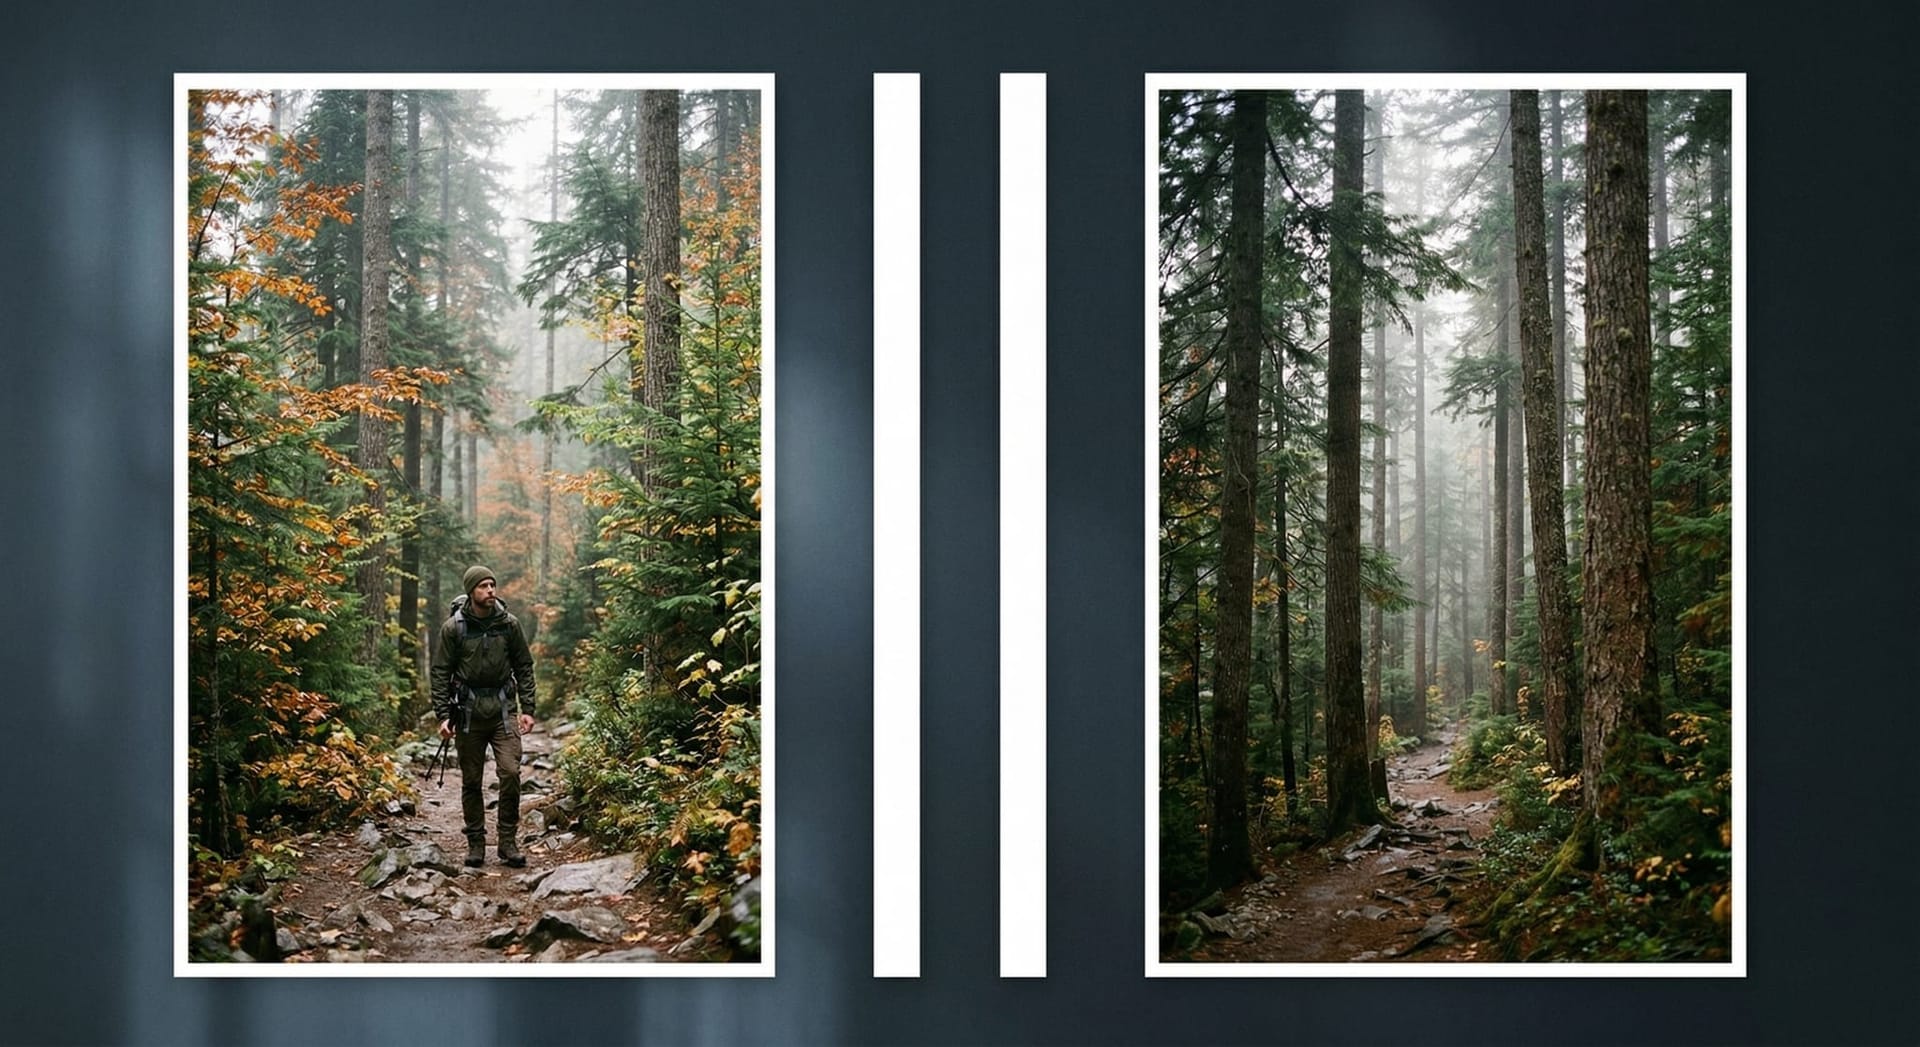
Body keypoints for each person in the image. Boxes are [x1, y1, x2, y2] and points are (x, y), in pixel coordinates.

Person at [429, 565, 537, 868]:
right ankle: (476, 843)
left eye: (493, 585)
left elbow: (524, 667)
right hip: (467, 713)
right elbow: (440, 673)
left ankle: (507, 842)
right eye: (483, 586)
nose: (490, 590)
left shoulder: (510, 624)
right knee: (472, 780)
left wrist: (528, 709)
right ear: (470, 591)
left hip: (503, 711)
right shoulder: (454, 628)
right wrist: (443, 715)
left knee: (511, 773)